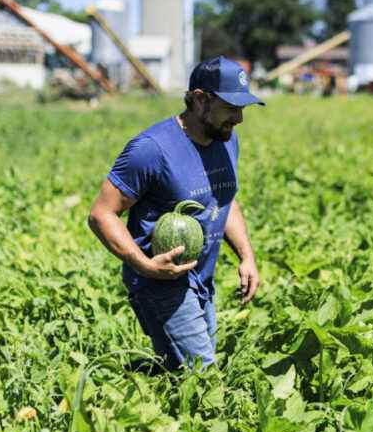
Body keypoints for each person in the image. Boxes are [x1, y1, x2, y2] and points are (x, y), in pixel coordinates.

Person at [87, 56, 264, 371]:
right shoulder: (151, 149)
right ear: (199, 100)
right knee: (203, 380)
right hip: (159, 286)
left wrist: (246, 256)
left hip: (202, 281)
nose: (238, 118)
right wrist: (145, 266)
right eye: (231, 107)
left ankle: (132, 396)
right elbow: (102, 214)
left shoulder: (226, 139)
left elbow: (224, 199)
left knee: (180, 377)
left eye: (243, 108)